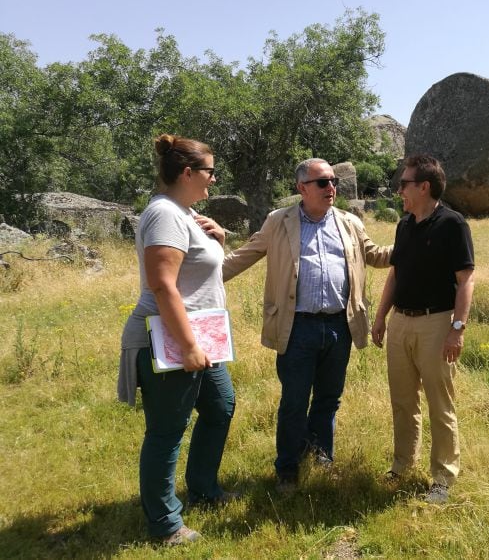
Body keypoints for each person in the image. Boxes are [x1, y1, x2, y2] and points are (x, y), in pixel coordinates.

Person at [222, 158, 391, 493]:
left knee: (329, 399)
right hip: (296, 327)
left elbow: (373, 255)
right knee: (295, 401)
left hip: (339, 326)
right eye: (323, 183)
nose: (332, 188)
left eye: (334, 182)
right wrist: (198, 275)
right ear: (302, 188)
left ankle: (320, 458)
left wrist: (415, 246)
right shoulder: (279, 221)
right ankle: (287, 469)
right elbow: (245, 255)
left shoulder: (349, 222)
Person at [118, 134, 237, 545]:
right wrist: (188, 346)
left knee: (221, 406)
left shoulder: (183, 213)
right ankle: (165, 524)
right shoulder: (165, 214)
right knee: (167, 431)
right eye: (209, 172)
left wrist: (219, 241)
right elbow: (163, 285)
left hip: (202, 336)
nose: (213, 180)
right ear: (187, 172)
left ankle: (203, 488)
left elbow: (201, 273)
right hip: (168, 338)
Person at [371, 154, 475, 505]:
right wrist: (381, 316)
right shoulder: (404, 225)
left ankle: (443, 478)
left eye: (404, 183)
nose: (399, 189)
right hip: (401, 322)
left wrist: (456, 329)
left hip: (436, 323)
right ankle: (402, 466)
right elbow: (395, 274)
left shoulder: (452, 224)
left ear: (424, 186)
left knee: (439, 404)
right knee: (402, 401)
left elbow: (465, 281)